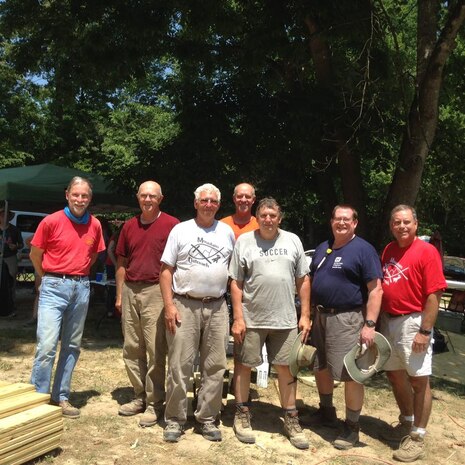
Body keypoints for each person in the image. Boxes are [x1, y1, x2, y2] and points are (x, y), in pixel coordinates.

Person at [229, 197, 311, 449]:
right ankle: (242, 414)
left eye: (272, 215)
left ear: (280, 217)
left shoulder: (292, 240)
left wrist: (305, 314)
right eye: (263, 215)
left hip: (285, 320)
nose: (268, 219)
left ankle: (290, 417)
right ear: (257, 216)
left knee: (287, 368)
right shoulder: (245, 241)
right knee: (244, 365)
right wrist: (238, 317)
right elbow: (236, 282)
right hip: (251, 319)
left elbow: (303, 280)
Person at [160, 183, 234, 442]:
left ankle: (207, 418)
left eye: (213, 201)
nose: (209, 204)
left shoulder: (226, 232)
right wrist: (169, 306)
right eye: (204, 200)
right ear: (195, 203)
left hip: (217, 306)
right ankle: (175, 419)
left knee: (215, 366)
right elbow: (166, 270)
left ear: (218, 204)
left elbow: (233, 272)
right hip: (184, 304)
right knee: (179, 364)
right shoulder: (180, 230)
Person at [307, 204, 383, 450]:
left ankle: (352, 427)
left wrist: (369, 324)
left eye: (346, 219)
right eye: (337, 219)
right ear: (331, 221)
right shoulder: (323, 247)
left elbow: (376, 290)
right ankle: (326, 411)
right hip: (320, 317)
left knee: (350, 374)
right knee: (320, 366)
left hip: (347, 318)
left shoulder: (364, 250)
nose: (341, 223)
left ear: (355, 223)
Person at [29, 177, 105, 418]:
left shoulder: (95, 225)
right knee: (47, 345)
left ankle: (60, 396)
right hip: (53, 285)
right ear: (67, 195)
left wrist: (76, 276)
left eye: (84, 196)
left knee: (72, 345)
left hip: (81, 286)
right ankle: (39, 398)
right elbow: (35, 254)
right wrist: (48, 278)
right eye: (76, 195)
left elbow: (92, 256)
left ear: (90, 199)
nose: (80, 200)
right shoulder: (51, 221)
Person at [379, 205, 446, 462]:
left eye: (407, 222)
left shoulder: (426, 252)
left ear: (416, 224)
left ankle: (417, 436)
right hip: (389, 320)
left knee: (419, 380)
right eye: (397, 222)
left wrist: (425, 330)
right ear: (391, 225)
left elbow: (434, 294)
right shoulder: (389, 250)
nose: (402, 226)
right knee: (395, 375)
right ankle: (406, 422)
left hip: (413, 321)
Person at [115, 181, 179, 427]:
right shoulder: (129, 226)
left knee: (155, 349)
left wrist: (170, 300)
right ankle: (139, 396)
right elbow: (121, 262)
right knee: (132, 347)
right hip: (131, 289)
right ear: (138, 198)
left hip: (156, 291)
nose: (148, 200)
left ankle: (155, 403)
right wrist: (120, 295)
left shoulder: (172, 225)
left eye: (152, 196)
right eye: (144, 196)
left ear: (161, 199)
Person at [0, 207, 23, 317]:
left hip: (10, 257)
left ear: (9, 217)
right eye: (1, 215)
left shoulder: (14, 230)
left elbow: (21, 244)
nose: (4, 217)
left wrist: (16, 246)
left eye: (6, 215)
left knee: (11, 280)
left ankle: (11, 304)